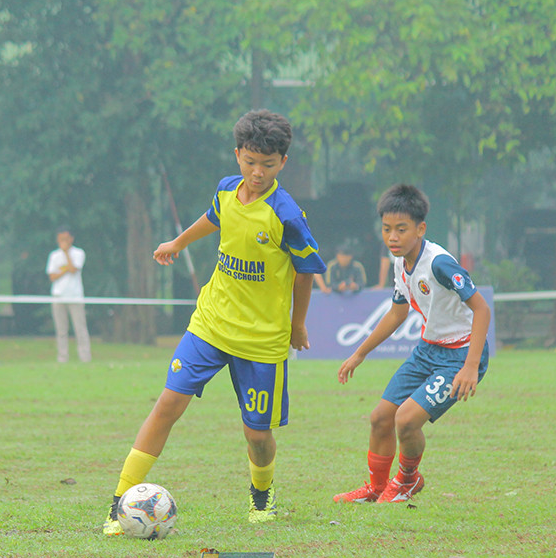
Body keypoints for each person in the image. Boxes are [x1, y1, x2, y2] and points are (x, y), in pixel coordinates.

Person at [102, 109, 326, 535]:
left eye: (268, 164)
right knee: (168, 404)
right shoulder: (227, 191)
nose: (257, 173)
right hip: (211, 322)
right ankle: (118, 505)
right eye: (250, 162)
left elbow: (305, 272)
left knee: (257, 435)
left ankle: (261, 497)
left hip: (262, 340)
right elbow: (214, 218)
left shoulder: (288, 215)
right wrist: (177, 242)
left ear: (283, 163)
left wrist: (298, 326)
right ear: (237, 154)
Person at [334, 184, 490, 504]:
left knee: (405, 420)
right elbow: (396, 313)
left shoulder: (439, 264)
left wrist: (471, 366)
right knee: (380, 417)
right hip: (427, 351)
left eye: (401, 229)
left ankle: (407, 480)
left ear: (421, 229)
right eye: (387, 229)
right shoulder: (399, 262)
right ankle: (376, 488)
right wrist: (359, 354)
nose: (392, 237)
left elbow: (482, 309)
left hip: (459, 355)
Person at [45, 226, 91, 363]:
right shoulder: (54, 255)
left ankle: (85, 357)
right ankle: (62, 358)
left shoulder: (78, 253)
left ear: (71, 239)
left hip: (75, 296)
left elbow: (73, 269)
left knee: (80, 329)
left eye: (65, 239)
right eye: (60, 239)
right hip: (58, 296)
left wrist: (66, 254)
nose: (63, 242)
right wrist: (63, 270)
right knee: (61, 330)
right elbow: (52, 276)